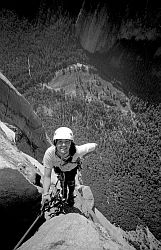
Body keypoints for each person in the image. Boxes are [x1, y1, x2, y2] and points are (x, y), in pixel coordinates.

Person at [42, 127, 97, 207]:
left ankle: (70, 195)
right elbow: (47, 176)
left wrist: (83, 157)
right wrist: (45, 193)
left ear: (71, 143)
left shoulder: (77, 151)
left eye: (67, 142)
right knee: (62, 181)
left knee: (71, 182)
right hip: (59, 168)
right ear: (55, 143)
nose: (63, 145)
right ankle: (64, 194)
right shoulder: (50, 154)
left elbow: (95, 146)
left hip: (71, 168)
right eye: (60, 141)